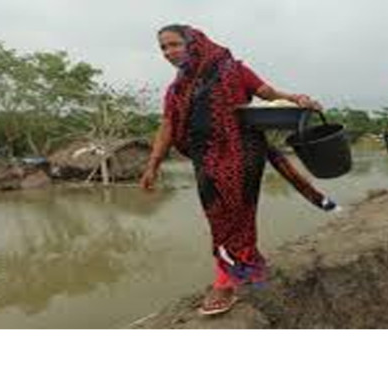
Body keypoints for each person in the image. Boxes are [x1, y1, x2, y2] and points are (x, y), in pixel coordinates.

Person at [140, 24, 338, 316]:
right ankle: (248, 265)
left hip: (242, 153)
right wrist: (153, 163)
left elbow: (268, 93)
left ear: (194, 43)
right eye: (163, 48)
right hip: (204, 157)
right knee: (218, 214)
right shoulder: (177, 89)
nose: (169, 52)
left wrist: (298, 99)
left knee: (233, 216)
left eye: (174, 44)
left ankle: (224, 282)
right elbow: (168, 125)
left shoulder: (232, 70)